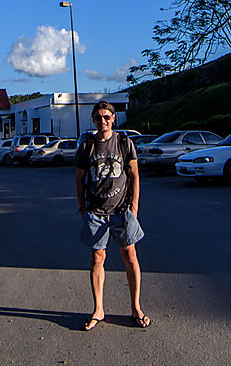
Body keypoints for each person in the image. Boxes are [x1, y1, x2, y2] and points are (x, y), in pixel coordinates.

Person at [75, 101, 150, 331]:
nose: (103, 121)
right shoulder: (87, 145)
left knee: (130, 256)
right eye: (98, 117)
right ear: (94, 119)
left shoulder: (124, 143)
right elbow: (79, 178)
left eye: (107, 117)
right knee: (97, 258)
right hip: (96, 212)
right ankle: (98, 308)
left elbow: (135, 176)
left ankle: (135, 307)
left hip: (121, 210)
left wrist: (134, 207)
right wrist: (82, 207)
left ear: (114, 118)